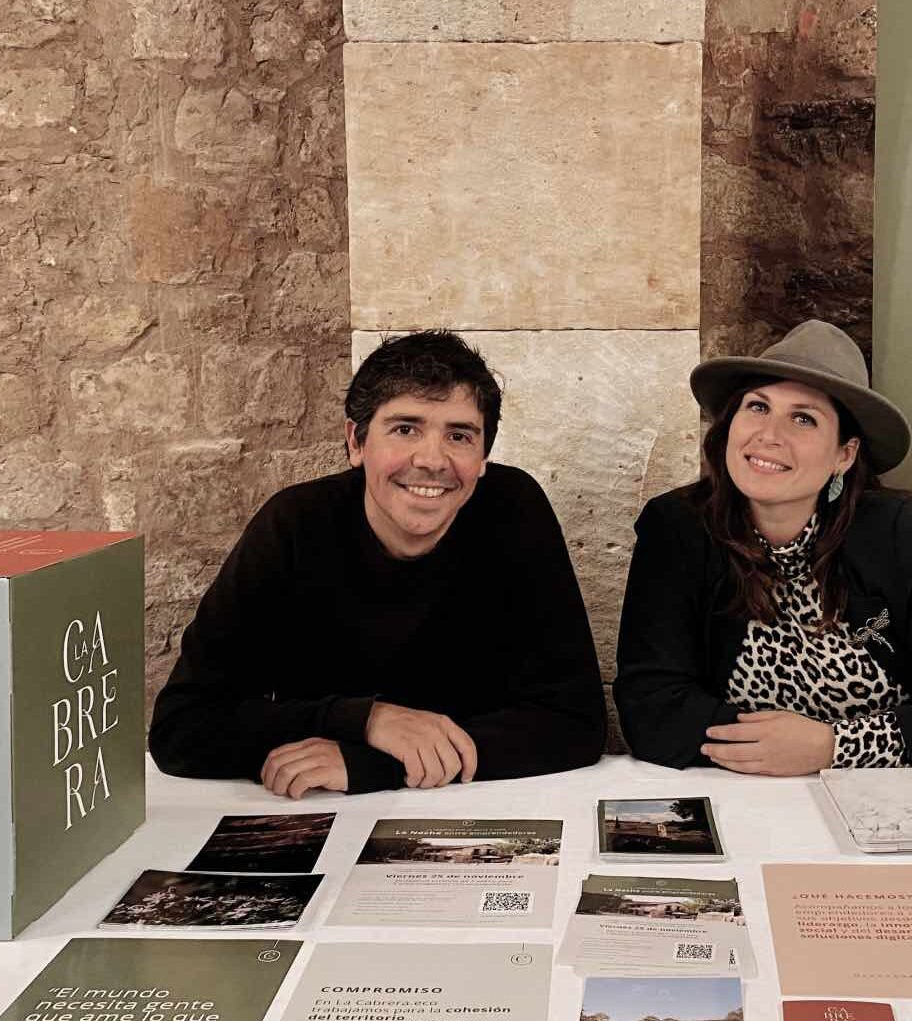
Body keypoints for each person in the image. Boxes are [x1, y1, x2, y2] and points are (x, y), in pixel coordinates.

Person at [150, 331, 606, 796]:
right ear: (356, 441)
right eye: (405, 428)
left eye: (459, 435)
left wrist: (372, 764)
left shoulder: (513, 510)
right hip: (319, 809)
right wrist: (365, 720)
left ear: (483, 455)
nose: (432, 460)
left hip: (476, 803)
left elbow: (576, 722)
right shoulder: (294, 524)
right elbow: (182, 729)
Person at [614, 319, 912, 774]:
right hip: (742, 798)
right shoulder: (677, 527)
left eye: (803, 418)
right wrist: (774, 748)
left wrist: (833, 746)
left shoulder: (902, 533)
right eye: (757, 407)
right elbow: (650, 710)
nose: (768, 435)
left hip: (890, 805)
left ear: (844, 455)